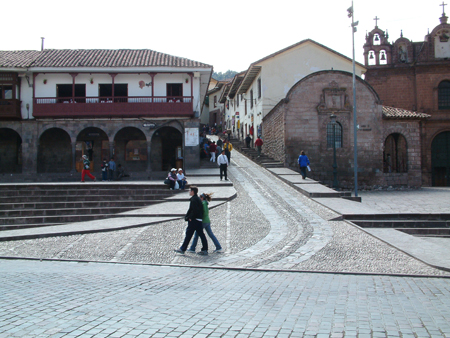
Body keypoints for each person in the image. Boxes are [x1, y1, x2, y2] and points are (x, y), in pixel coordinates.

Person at [174, 186, 208, 255]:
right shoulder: (197, 199)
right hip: (198, 219)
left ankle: (183, 249)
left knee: (189, 234)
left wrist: (190, 217)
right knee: (201, 234)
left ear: (193, 192)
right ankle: (205, 249)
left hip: (194, 220)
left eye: (190, 190)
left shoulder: (194, 199)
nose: (189, 192)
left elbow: (194, 210)